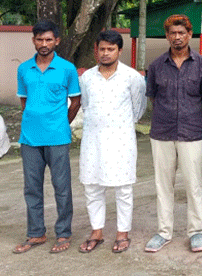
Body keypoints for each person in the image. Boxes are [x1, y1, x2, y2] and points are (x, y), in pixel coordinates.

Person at [13, 20, 81, 254]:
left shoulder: (67, 69)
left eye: (48, 39)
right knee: (31, 188)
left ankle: (63, 233)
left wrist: (61, 122)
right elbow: (25, 101)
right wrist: (35, 119)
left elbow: (75, 102)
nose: (44, 44)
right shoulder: (24, 69)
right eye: (39, 39)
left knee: (62, 187)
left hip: (58, 138)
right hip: (29, 139)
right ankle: (36, 233)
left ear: (57, 41)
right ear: (33, 41)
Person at [145, 14, 202, 253]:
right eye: (172, 33)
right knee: (163, 185)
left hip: (192, 132)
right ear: (167, 36)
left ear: (189, 35)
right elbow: (153, 96)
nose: (177, 37)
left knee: (193, 185)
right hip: (161, 132)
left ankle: (196, 232)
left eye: (181, 33)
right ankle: (163, 232)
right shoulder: (156, 66)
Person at [77, 30, 146, 254]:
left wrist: (118, 125)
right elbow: (86, 106)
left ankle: (122, 233)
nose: (105, 53)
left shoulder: (132, 77)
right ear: (96, 50)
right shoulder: (86, 77)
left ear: (119, 51)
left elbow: (138, 109)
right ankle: (97, 232)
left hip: (121, 140)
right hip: (92, 140)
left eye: (110, 49)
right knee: (92, 186)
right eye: (102, 49)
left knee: (123, 188)